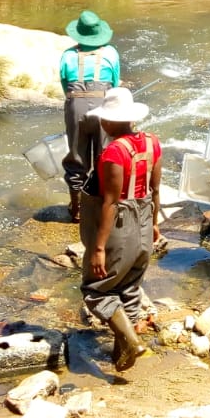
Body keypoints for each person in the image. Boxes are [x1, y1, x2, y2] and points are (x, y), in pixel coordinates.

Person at [80, 86, 160, 373]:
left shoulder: (114, 152)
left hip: (120, 226)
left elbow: (111, 203)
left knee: (96, 289)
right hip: (143, 219)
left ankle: (130, 340)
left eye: (104, 118)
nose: (101, 123)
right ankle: (122, 355)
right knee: (128, 287)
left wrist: (98, 249)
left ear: (111, 121)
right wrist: (154, 225)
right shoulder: (151, 142)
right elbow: (154, 188)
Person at [60, 10, 120, 223]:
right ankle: (102, 207)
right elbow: (115, 82)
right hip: (104, 106)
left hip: (76, 105)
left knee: (76, 156)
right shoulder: (111, 53)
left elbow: (64, 85)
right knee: (105, 157)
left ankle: (76, 209)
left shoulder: (67, 55)